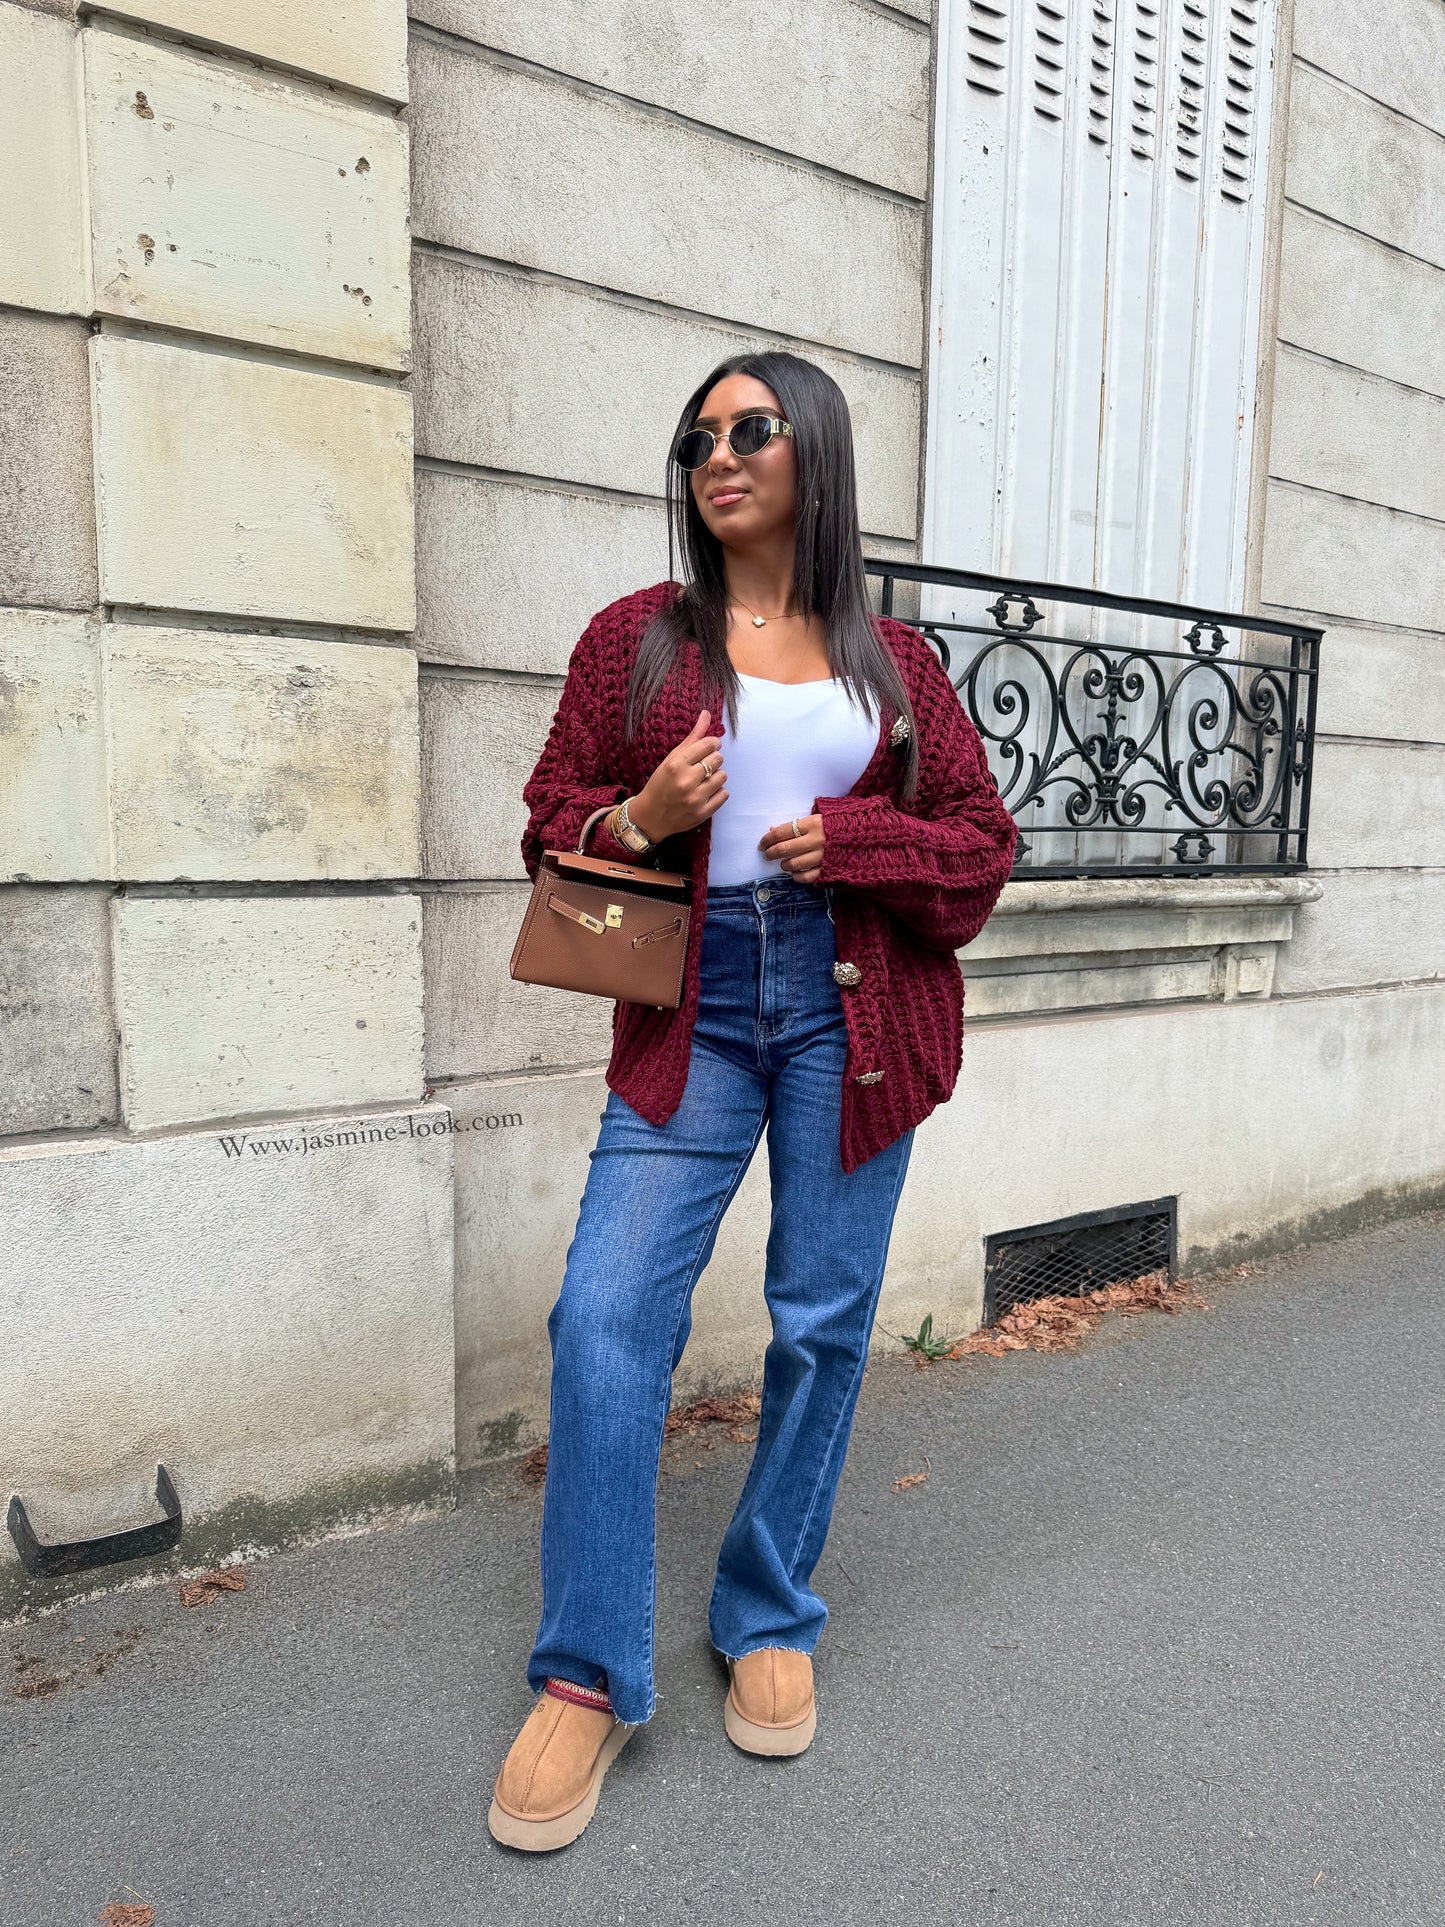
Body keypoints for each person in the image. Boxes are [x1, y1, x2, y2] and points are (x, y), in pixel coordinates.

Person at [489, 350, 1018, 1852]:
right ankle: (585, 1674)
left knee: (821, 1320)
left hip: (854, 1008)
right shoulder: (631, 643)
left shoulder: (896, 666)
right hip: (694, 1006)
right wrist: (639, 819)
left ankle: (766, 1603)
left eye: (750, 429)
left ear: (814, 453)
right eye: (696, 436)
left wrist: (856, 843)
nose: (716, 455)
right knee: (605, 1316)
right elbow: (548, 820)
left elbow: (979, 847)